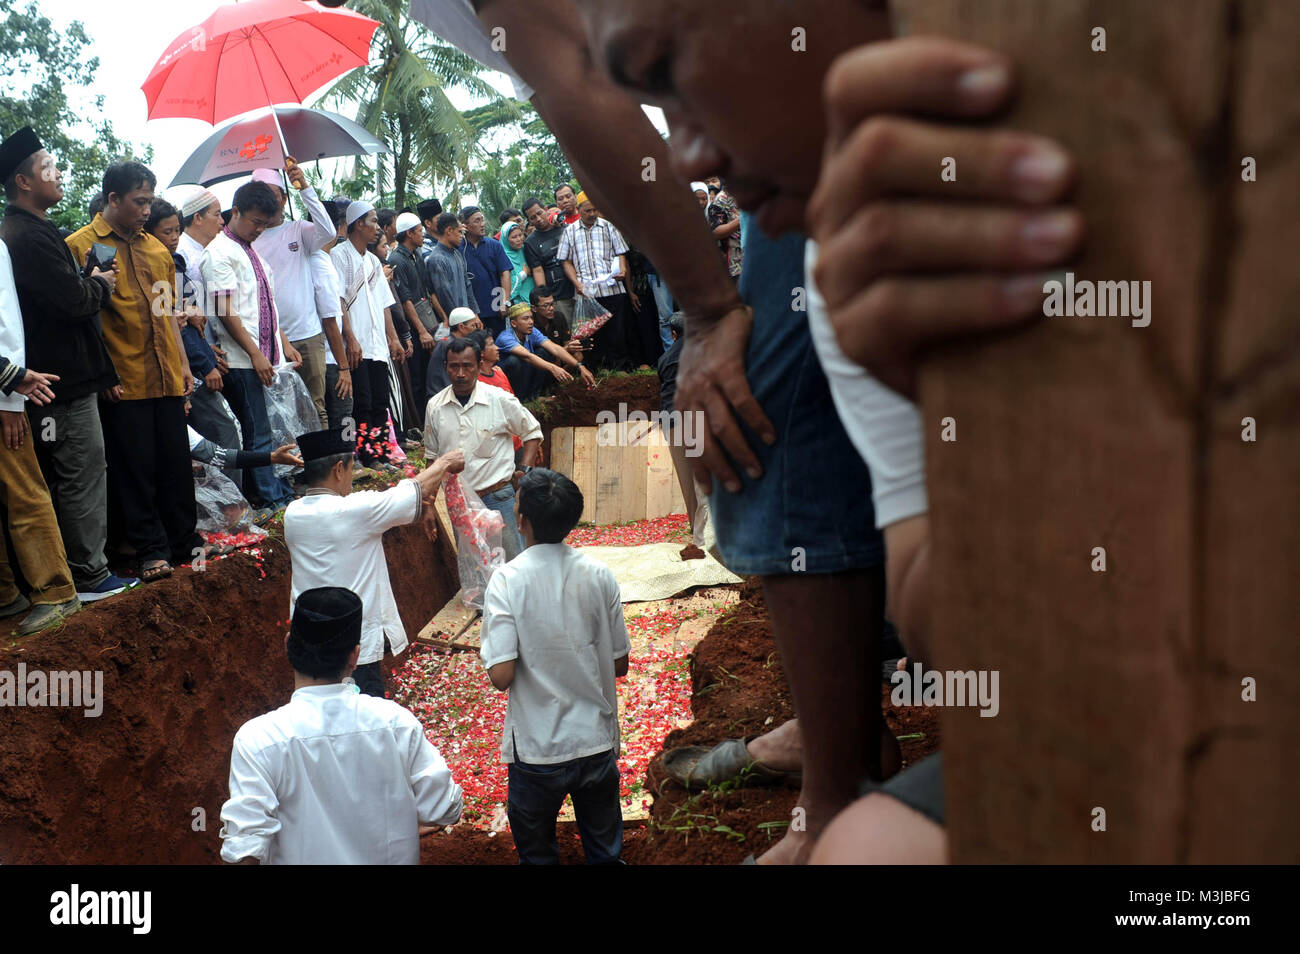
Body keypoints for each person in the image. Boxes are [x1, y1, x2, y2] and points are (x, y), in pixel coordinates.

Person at [220, 585, 464, 864]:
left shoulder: (258, 740)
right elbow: (445, 808)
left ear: (288, 644)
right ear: (355, 656)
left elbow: (244, 848)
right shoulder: (397, 724)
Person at [0, 125, 136, 603]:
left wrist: (86, 280)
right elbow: (75, 302)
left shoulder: (31, 232)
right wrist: (99, 282)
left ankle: (80, 569)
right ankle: (89, 574)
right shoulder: (24, 236)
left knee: (72, 473)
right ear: (23, 182)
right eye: (49, 169)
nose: (59, 176)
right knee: (79, 472)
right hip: (58, 385)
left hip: (55, 380)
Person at [480, 468, 630, 864]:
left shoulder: (506, 580)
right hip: (595, 743)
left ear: (521, 520)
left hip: (536, 751)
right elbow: (619, 663)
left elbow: (501, 675)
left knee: (538, 856)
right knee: (604, 854)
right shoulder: (600, 574)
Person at [67, 159, 205, 583]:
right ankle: (149, 551)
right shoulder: (79, 245)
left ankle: (186, 544)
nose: (147, 210)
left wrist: (184, 369)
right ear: (113, 199)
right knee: (134, 470)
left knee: (177, 466)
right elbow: (81, 325)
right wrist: (103, 376)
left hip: (165, 375)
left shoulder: (156, 250)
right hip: (122, 380)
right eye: (139, 201)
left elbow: (167, 316)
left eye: (149, 201)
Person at [283, 427, 466, 697]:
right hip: (351, 643)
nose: (352, 477)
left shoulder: (292, 513)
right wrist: (445, 463)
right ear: (338, 470)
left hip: (309, 639)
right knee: (361, 715)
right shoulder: (354, 511)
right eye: (350, 468)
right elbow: (415, 490)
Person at [0, 205, 84, 635]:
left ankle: (55, 591)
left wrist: (10, 397)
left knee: (23, 493)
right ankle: (5, 593)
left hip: (4, 393)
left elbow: (7, 328)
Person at [202, 180, 300, 512]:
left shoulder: (248, 248)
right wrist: (256, 354)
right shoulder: (218, 252)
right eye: (255, 221)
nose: (260, 229)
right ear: (236, 211)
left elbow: (265, 305)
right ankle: (269, 500)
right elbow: (226, 312)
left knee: (271, 430)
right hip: (243, 362)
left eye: (265, 223)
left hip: (265, 358)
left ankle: (279, 492)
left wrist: (280, 344)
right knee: (257, 433)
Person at [424, 337, 541, 562]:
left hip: (499, 498)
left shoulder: (499, 399)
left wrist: (524, 470)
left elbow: (532, 432)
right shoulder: (435, 406)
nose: (460, 373)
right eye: (454, 366)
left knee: (513, 565)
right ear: (445, 367)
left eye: (467, 366)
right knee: (475, 573)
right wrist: (428, 506)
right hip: (459, 504)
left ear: (479, 366)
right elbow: (433, 460)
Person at [250, 162, 338, 428]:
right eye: (261, 192)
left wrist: (304, 186)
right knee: (282, 411)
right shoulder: (250, 239)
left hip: (308, 334)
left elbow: (329, 232)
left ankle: (323, 468)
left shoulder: (298, 229)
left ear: (284, 197)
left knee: (316, 406)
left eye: (273, 192)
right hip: (269, 338)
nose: (268, 199)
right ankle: (297, 468)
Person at [171, 184, 242, 479]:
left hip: (206, 355)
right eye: (216, 214)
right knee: (221, 434)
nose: (223, 221)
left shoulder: (201, 251)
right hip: (196, 366)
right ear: (196, 218)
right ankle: (233, 509)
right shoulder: (179, 258)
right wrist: (203, 360)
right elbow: (177, 320)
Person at [331, 202, 404, 466]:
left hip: (377, 345)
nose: (377, 227)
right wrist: (349, 337)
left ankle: (381, 451)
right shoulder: (338, 255)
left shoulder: (374, 260)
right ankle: (365, 454)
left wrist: (393, 339)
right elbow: (338, 300)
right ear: (358, 223)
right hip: (357, 342)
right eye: (373, 221)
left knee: (380, 401)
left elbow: (384, 304)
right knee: (361, 401)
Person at [558, 195, 645, 370]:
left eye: (594, 210)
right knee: (592, 334)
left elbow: (621, 251)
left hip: (611, 289)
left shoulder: (608, 227)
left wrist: (622, 269)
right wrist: (577, 283)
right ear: (579, 209)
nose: (592, 214)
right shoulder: (569, 231)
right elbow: (565, 260)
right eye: (587, 210)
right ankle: (599, 370)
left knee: (618, 331)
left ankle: (619, 369)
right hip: (587, 292)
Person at [656, 312, 710, 559]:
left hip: (671, 423)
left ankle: (696, 533)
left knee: (687, 482)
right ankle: (704, 540)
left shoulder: (664, 359)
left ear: (674, 334)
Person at [387, 211, 437, 425]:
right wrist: (422, 331)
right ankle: (419, 424)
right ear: (408, 233)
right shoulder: (397, 259)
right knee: (416, 378)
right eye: (419, 231)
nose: (423, 236)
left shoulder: (417, 256)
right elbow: (405, 300)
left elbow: (426, 290)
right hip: (413, 330)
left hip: (427, 321)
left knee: (428, 375)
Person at [496, 301, 593, 402]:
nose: (531, 322)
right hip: (506, 377)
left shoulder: (532, 331)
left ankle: (534, 396)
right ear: (513, 323)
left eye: (531, 318)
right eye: (525, 318)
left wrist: (580, 366)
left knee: (543, 352)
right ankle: (518, 399)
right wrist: (553, 368)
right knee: (514, 360)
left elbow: (555, 348)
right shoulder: (505, 337)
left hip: (525, 371)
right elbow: (528, 357)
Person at [522, 197, 577, 327]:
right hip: (558, 296)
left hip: (580, 288)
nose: (538, 219)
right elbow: (537, 269)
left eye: (539, 213)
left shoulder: (565, 229)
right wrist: (545, 297)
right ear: (529, 221)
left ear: (546, 209)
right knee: (570, 333)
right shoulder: (530, 242)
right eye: (533, 217)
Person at [458, 206, 512, 336]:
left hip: (495, 305)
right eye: (477, 221)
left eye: (482, 220)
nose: (482, 224)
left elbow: (505, 273)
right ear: (465, 226)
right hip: (471, 311)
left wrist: (505, 301)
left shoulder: (494, 245)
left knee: (498, 343)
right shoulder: (458, 248)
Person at [423, 211, 473, 340]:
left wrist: (474, 314)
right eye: (459, 232)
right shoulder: (436, 259)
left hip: (466, 320)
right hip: (455, 325)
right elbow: (444, 296)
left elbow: (467, 286)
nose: (462, 236)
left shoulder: (457, 254)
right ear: (449, 230)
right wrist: (459, 323)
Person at [423, 306, 482, 400]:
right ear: (461, 327)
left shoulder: (451, 342)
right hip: (442, 397)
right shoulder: (448, 345)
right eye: (473, 325)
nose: (476, 329)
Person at [528, 285, 582, 359]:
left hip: (559, 356)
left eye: (552, 304)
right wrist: (566, 349)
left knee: (577, 354)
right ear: (534, 308)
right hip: (539, 360)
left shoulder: (559, 317)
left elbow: (567, 342)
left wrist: (573, 346)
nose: (551, 308)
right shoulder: (529, 324)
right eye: (546, 305)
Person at [499, 220, 534, 306]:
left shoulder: (526, 249)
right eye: (514, 237)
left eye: (520, 235)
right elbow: (505, 282)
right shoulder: (502, 256)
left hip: (534, 297)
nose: (519, 239)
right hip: (518, 303)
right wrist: (523, 274)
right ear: (506, 239)